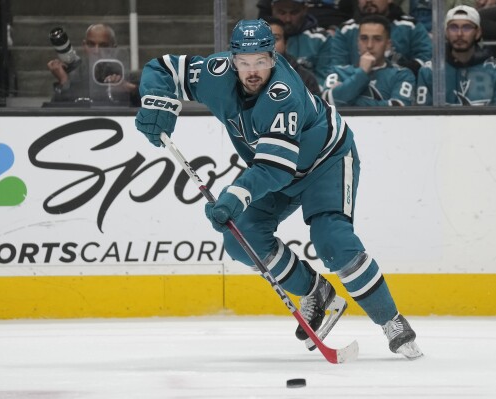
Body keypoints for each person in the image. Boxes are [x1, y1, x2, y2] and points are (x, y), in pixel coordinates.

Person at [135, 18, 423, 359]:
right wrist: (158, 103)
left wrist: (235, 194)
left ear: (274, 57)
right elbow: (163, 68)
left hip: (325, 162)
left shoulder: (283, 95)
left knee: (332, 240)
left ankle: (391, 320)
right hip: (276, 167)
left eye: (261, 60)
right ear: (232, 59)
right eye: (244, 62)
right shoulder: (214, 73)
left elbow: (274, 168)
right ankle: (316, 293)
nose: (253, 70)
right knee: (240, 238)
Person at [416, 5, 496, 105]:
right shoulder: (430, 71)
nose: (459, 34)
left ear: (478, 33)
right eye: (453, 27)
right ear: (446, 33)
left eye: (466, 27)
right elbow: (422, 118)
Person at [322, 14, 416, 106]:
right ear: (357, 42)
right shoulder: (338, 72)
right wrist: (362, 72)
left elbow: (398, 109)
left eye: (377, 39)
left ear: (388, 44)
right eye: (364, 38)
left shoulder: (402, 75)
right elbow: (327, 104)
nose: (369, 45)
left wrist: (347, 100)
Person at [330, 0, 432, 76]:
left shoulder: (411, 26)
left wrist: (397, 73)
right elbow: (337, 67)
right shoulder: (345, 30)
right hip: (356, 95)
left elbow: (427, 60)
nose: (368, 1)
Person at [46, 23, 140, 106]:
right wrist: (64, 82)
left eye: (103, 46)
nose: (96, 51)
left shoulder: (124, 77)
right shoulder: (72, 77)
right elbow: (54, 114)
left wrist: (130, 89)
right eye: (91, 44)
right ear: (84, 45)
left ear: (113, 48)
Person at [270, 0, 332, 82]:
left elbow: (325, 81)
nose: (288, 19)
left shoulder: (321, 39)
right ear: (272, 10)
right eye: (282, 13)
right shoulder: (259, 37)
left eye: (294, 13)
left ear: (305, 9)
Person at [263, 16, 322, 96]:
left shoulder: (305, 78)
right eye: (263, 40)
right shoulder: (247, 76)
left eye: (275, 39)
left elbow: (316, 107)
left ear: (286, 43)